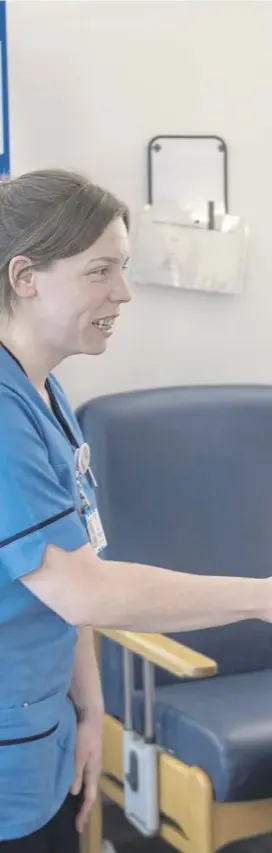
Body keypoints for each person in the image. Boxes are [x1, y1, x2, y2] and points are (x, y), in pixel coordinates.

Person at [0, 169, 270, 852]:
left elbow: (72, 575)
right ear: (25, 275)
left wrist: (89, 709)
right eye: (99, 271)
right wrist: (262, 597)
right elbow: (82, 590)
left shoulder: (46, 396)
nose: (122, 292)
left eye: (121, 268)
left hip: (45, 737)